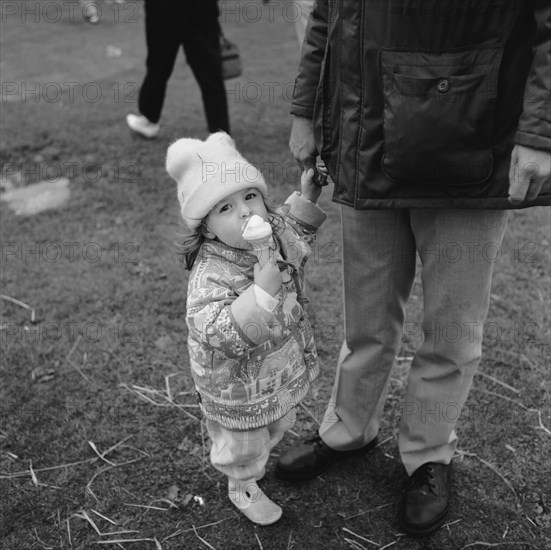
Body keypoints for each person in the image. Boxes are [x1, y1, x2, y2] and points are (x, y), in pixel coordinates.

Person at [275, 0, 551, 537]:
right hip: (362, 141)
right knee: (367, 318)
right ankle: (350, 429)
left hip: (469, 141)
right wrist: (304, 109)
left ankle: (427, 451)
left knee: (451, 326)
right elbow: (326, 16)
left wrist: (540, 133)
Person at [165, 132, 326, 525]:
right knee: (244, 443)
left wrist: (307, 197)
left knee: (278, 423)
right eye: (225, 206)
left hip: (276, 370)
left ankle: (257, 461)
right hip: (235, 385)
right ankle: (243, 484)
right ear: (205, 228)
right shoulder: (210, 275)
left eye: (249, 196)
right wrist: (260, 297)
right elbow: (216, 330)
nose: (244, 211)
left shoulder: (271, 231)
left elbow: (295, 235)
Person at [127, 1, 229, 139]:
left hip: (164, 10)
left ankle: (149, 119)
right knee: (210, 74)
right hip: (200, 8)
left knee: (158, 67)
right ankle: (220, 134)